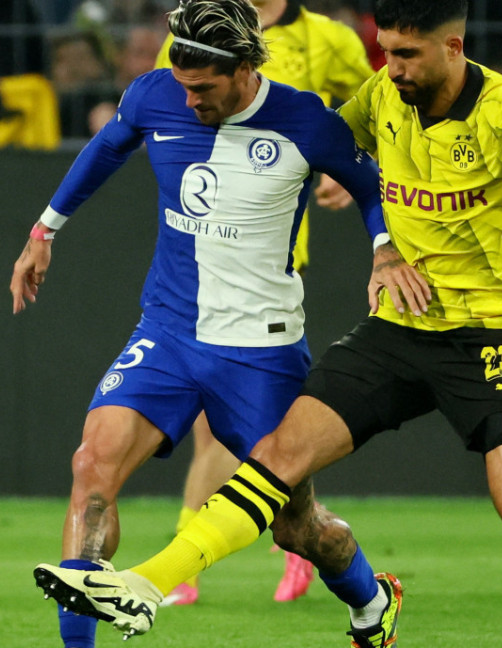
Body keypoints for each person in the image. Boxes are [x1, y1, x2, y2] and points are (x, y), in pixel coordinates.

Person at [59, 1, 502, 647]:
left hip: (491, 337)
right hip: (399, 326)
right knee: (279, 457)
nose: (392, 67)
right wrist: (352, 196)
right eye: (386, 49)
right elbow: (312, 140)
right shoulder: (381, 97)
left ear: (453, 48)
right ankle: (147, 582)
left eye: (406, 54)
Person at [11, 1, 424, 647]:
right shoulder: (157, 95)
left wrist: (383, 249)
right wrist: (45, 230)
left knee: (297, 527)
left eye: (204, 88)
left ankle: (373, 600)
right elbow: (107, 147)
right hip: (167, 333)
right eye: (183, 85)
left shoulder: (305, 120)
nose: (190, 99)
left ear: (247, 68)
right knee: (93, 466)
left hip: (261, 353)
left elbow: (369, 183)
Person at [149, 0, 376, 606]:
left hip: (269, 257)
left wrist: (339, 168)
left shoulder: (328, 39)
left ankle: (290, 540)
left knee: (257, 440)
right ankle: (232, 553)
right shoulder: (198, 35)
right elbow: (169, 108)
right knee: (215, 435)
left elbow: (373, 114)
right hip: (204, 255)